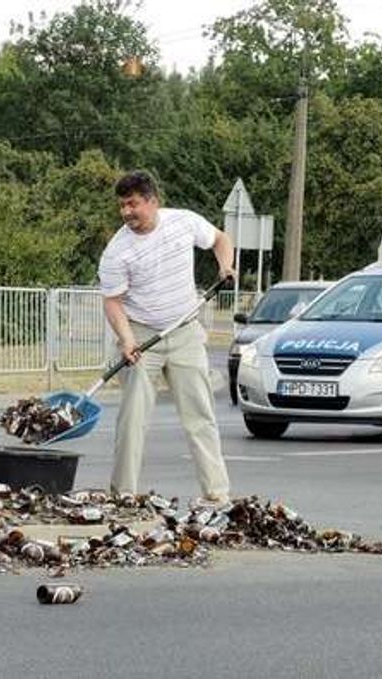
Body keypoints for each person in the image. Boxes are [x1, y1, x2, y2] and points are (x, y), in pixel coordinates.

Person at [98, 170, 235, 503]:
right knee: (132, 421)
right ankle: (123, 496)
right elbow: (113, 303)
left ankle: (217, 496)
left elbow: (220, 239)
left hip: (185, 331)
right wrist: (127, 340)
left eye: (132, 204)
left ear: (152, 201)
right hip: (143, 336)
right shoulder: (117, 252)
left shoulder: (184, 222)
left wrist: (225, 266)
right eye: (122, 206)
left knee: (200, 416)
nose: (126, 212)